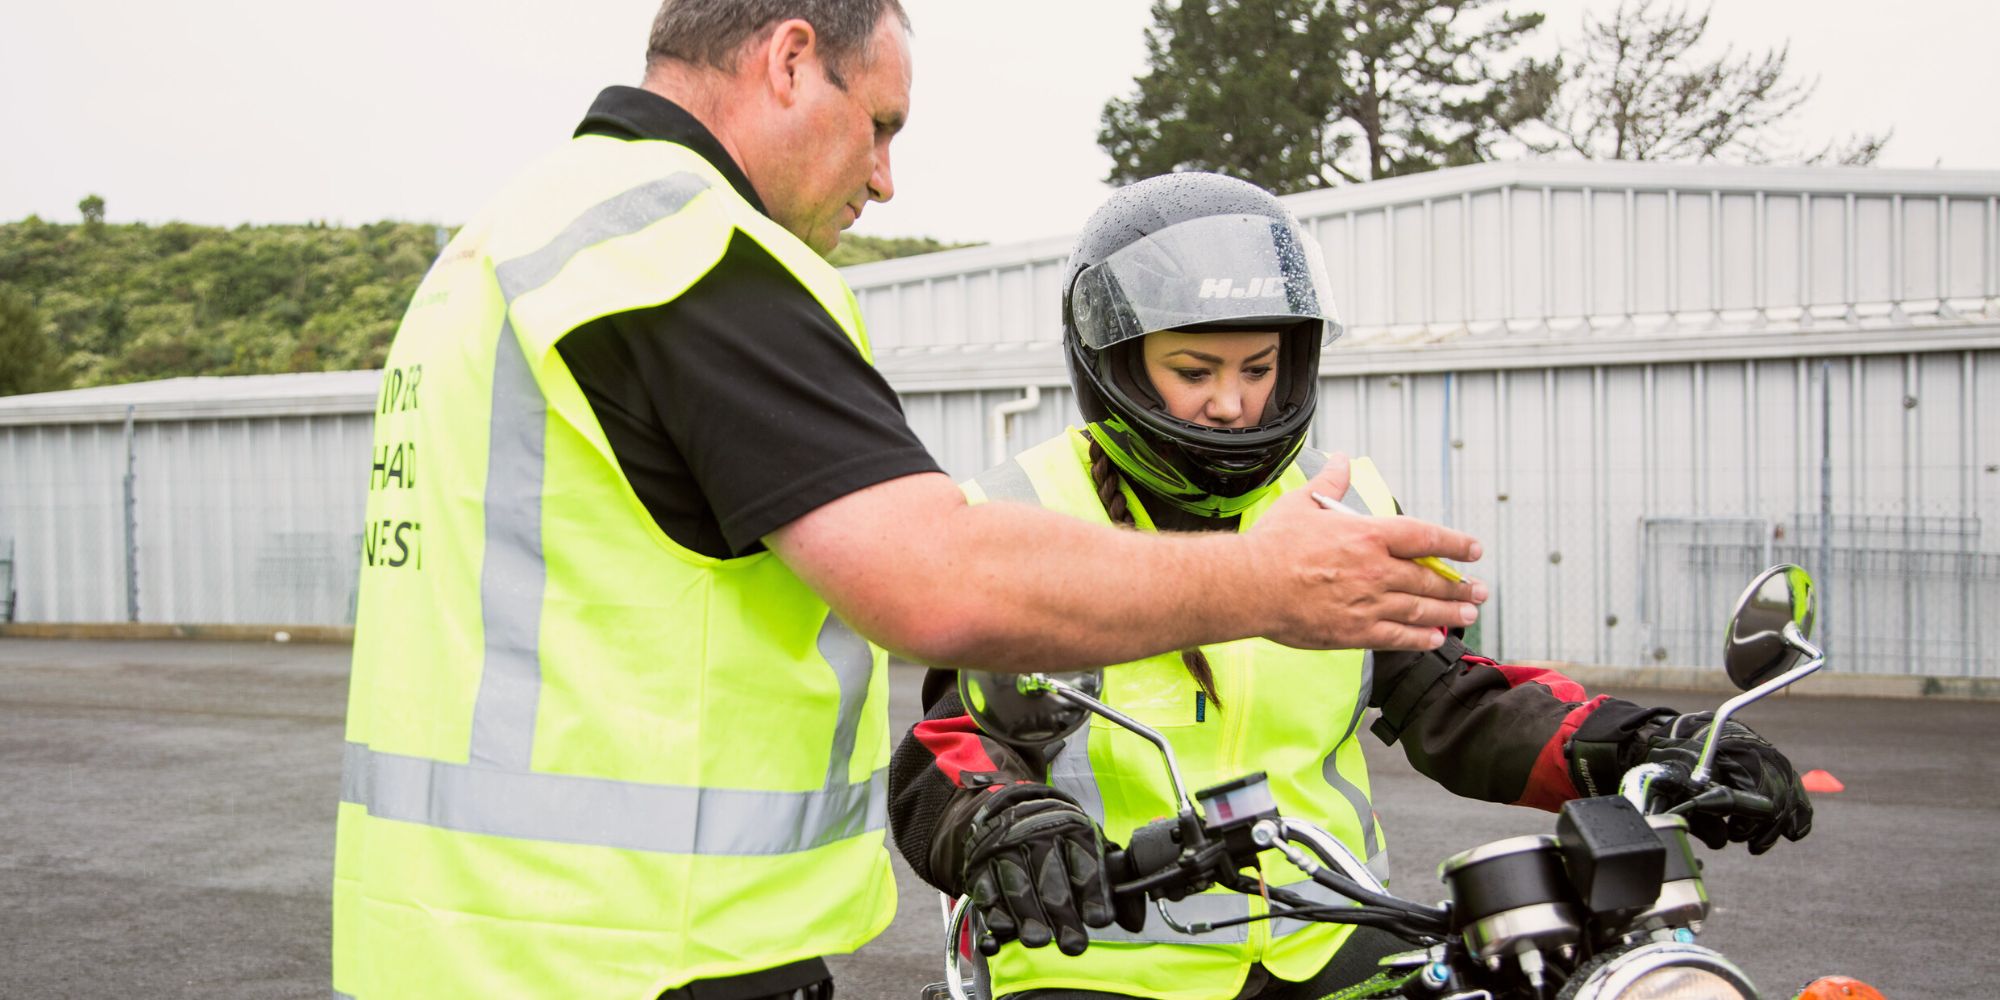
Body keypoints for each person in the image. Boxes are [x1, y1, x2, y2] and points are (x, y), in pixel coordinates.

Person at [330, 4, 1492, 1000]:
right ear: (790, 60)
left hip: (445, 940)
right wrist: (1262, 581)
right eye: (879, 124)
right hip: (635, 950)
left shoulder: (503, 246)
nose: (884, 177)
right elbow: (931, 578)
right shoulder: (682, 254)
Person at [887, 172, 1815, 1000]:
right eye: (1194, 370)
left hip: (1331, 938)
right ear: (1116, 362)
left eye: (1259, 367)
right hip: (1101, 953)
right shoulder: (1016, 511)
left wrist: (1644, 742)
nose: (1232, 402)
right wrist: (1008, 822)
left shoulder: (1348, 507)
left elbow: (1451, 696)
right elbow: (948, 747)